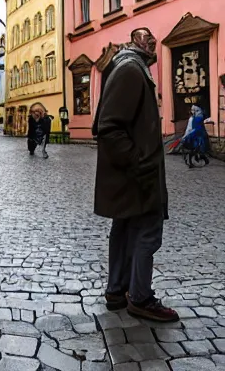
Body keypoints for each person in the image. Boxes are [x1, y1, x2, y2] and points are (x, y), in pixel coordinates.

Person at [94, 28, 179, 322]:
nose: (153, 42)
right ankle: (140, 297)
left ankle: (117, 290)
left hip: (130, 172)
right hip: (137, 173)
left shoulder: (129, 66)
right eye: (147, 38)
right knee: (148, 230)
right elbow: (109, 127)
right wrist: (139, 161)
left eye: (155, 39)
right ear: (135, 42)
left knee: (125, 226)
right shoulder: (131, 69)